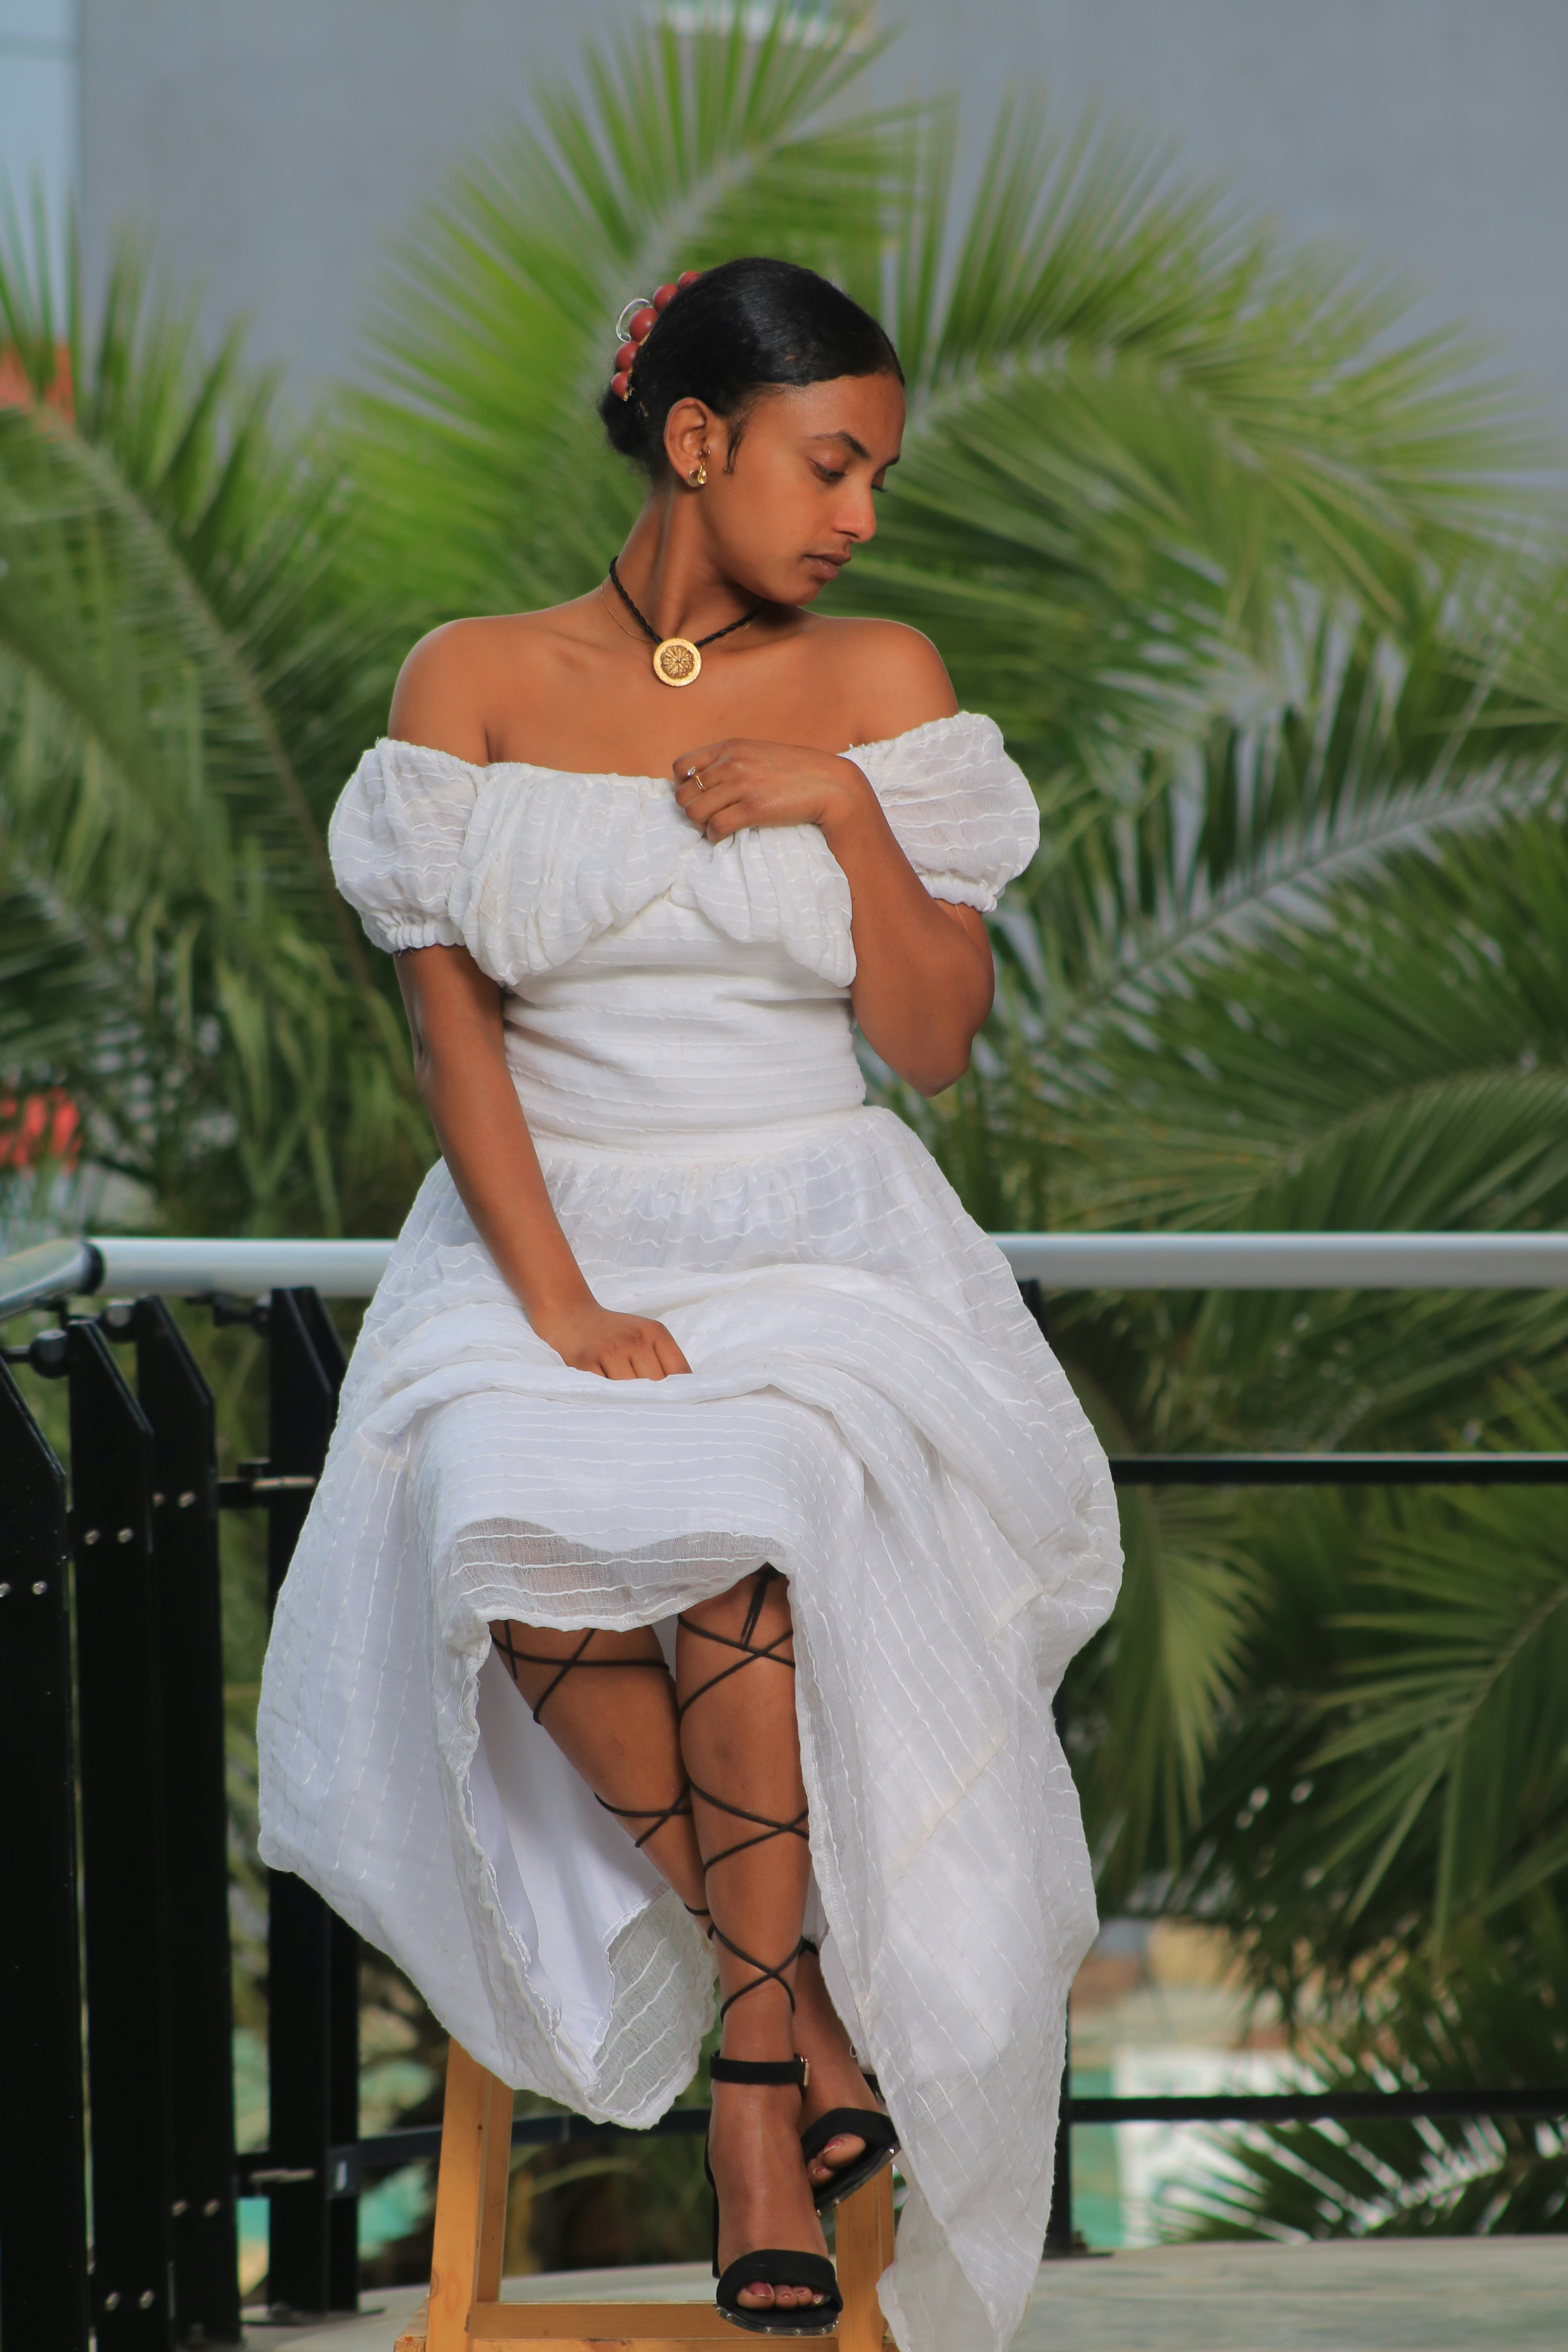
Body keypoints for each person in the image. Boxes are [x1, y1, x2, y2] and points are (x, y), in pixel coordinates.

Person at [258, 258, 1121, 2351]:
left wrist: (840, 811)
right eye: (834, 465)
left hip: (819, 1227)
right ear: (700, 439)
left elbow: (932, 1039)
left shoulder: (885, 682)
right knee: (497, 1532)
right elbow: (458, 1048)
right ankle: (807, 2015)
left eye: (881, 476)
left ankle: (756, 2100)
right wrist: (554, 1305)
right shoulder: (467, 683)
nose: (864, 516)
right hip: (536, 1229)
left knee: (749, 1509)